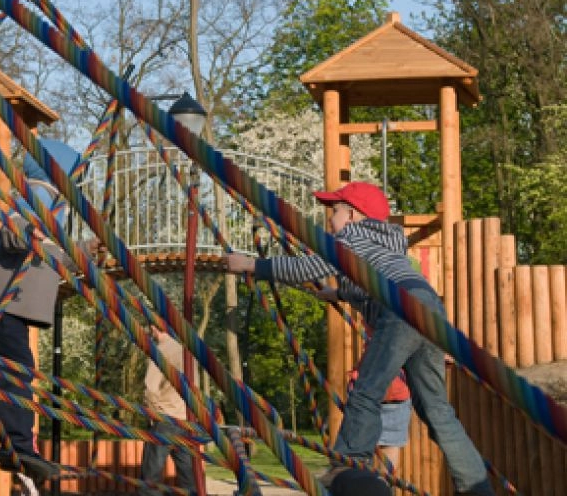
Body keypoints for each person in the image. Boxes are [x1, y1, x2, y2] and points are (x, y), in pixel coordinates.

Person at [221, 182, 493, 495]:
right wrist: (337, 293)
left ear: (352, 214)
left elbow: (310, 266)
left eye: (334, 211)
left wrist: (253, 265)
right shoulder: (388, 244)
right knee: (437, 410)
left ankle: (350, 464)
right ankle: (476, 487)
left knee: (367, 389)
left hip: (400, 309)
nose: (330, 219)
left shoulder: (352, 236)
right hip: (429, 306)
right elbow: (369, 282)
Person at [0, 138, 92, 489]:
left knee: (15, 375)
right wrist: (34, 233)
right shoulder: (37, 192)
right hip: (0, 301)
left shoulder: (55, 203)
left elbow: (51, 256)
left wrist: (80, 252)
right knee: (14, 375)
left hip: (13, 302)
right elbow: (13, 235)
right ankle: (20, 448)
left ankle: (17, 447)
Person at [138, 325, 196, 496]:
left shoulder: (161, 351)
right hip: (186, 419)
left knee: (151, 473)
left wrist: (152, 414)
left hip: (166, 418)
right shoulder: (185, 352)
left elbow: (151, 389)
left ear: (154, 328)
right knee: (187, 472)